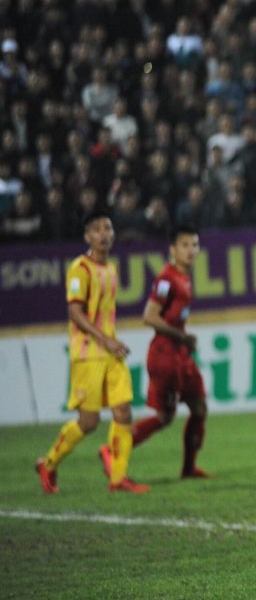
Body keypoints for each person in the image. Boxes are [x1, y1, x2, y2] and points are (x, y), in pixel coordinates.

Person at [35, 211, 150, 494]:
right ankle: (48, 464)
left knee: (123, 412)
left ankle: (118, 478)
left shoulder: (111, 269)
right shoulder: (80, 269)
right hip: (88, 353)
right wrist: (105, 340)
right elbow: (75, 312)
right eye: (97, 229)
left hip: (110, 352)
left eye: (108, 228)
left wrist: (112, 341)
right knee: (89, 422)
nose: (104, 234)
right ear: (87, 236)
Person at [124, 225, 212, 479]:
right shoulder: (166, 279)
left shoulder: (184, 278)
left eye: (194, 245)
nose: (191, 250)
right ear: (173, 250)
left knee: (199, 407)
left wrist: (183, 340)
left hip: (180, 353)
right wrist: (182, 336)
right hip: (165, 353)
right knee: (164, 416)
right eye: (185, 245)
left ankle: (188, 468)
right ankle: (113, 450)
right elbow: (149, 316)